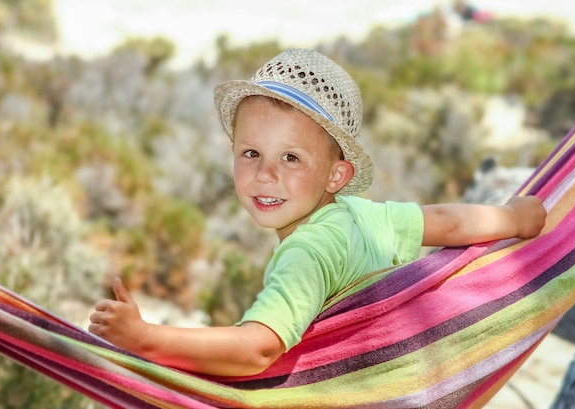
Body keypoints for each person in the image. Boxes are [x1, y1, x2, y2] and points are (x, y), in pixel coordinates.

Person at [88, 49, 546, 377]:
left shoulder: (307, 251)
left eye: (291, 159)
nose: (265, 175)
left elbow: (256, 349)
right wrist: (513, 219)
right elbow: (445, 222)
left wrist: (147, 338)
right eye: (250, 153)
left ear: (336, 176)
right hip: (408, 379)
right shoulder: (366, 215)